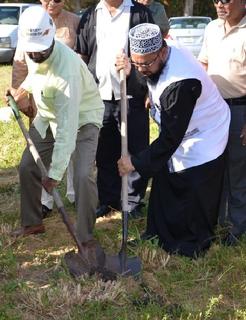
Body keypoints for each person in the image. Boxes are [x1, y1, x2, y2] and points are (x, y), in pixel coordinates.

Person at [117, 23, 230, 258]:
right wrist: (132, 72)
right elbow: (150, 79)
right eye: (136, 63)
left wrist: (135, 163)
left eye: (145, 64)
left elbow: (170, 139)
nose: (141, 69)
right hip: (180, 127)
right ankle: (158, 233)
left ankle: (190, 244)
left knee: (192, 188)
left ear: (161, 52)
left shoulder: (180, 83)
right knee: (165, 180)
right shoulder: (155, 61)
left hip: (205, 134)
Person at [9, 7, 104, 260]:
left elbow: (67, 129)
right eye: (32, 50)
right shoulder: (33, 50)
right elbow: (37, 76)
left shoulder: (68, 70)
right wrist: (21, 91)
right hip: (49, 114)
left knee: (84, 175)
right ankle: (32, 222)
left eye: (40, 49)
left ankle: (86, 237)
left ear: (51, 37)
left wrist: (54, 175)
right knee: (27, 166)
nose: (35, 54)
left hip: (82, 119)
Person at [76, 0, 153, 219]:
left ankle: (133, 201)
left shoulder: (140, 14)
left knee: (135, 149)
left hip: (132, 95)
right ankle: (108, 200)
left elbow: (154, 56)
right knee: (104, 151)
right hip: (99, 96)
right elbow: (82, 54)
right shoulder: (91, 15)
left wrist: (146, 89)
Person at [11, 0, 80, 218]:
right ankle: (44, 201)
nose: (51, 2)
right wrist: (20, 96)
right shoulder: (30, 22)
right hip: (42, 103)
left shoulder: (75, 22)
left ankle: (74, 194)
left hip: (69, 96)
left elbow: (83, 55)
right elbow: (20, 64)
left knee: (72, 147)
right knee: (41, 154)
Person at [198, 0, 246, 246]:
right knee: (214, 166)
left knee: (237, 171)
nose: (219, 4)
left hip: (240, 109)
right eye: (215, 0)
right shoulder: (211, 28)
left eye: (226, 0)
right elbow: (203, 64)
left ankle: (236, 229)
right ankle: (216, 223)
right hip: (213, 109)